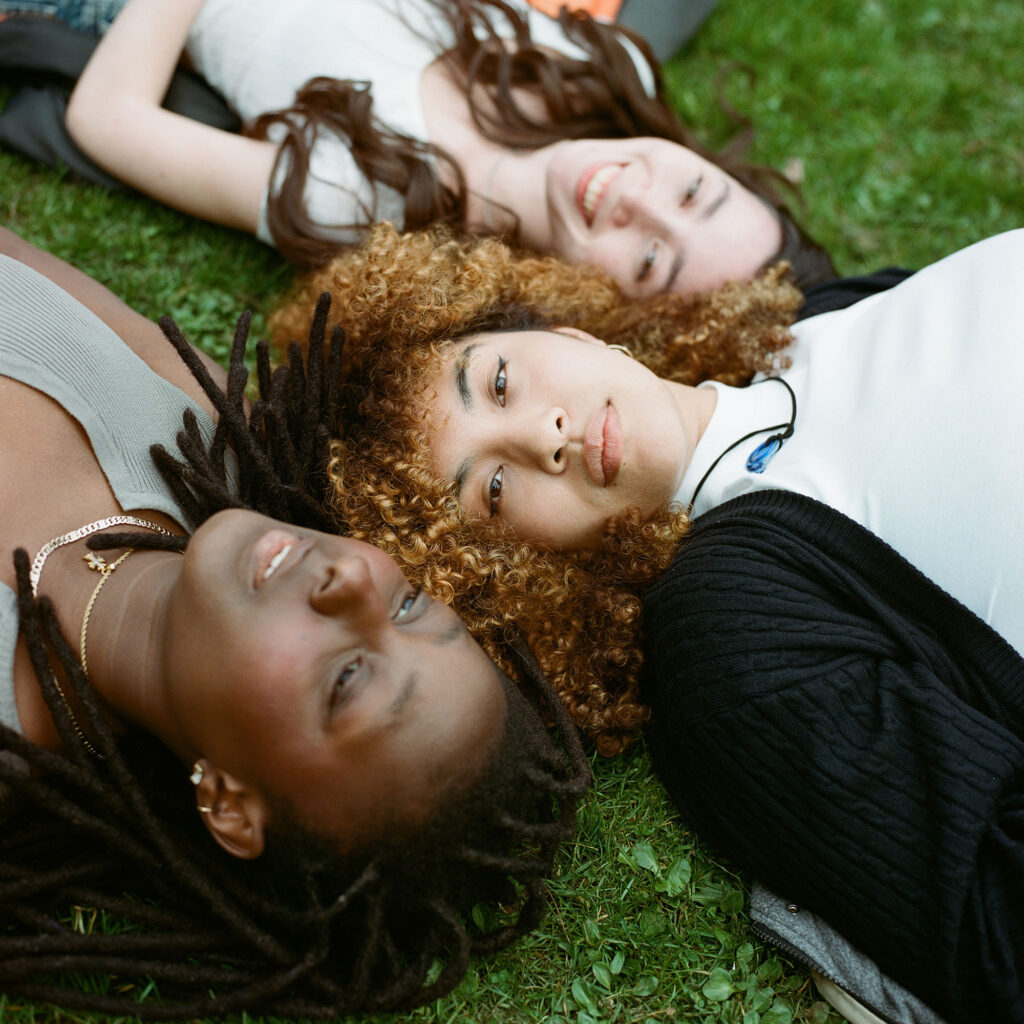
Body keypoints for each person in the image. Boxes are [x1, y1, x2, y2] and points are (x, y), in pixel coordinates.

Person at [268, 223, 1024, 1023]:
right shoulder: (730, 627)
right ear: (522, 573)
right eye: (491, 490)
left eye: (496, 382)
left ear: (568, 332)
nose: (541, 436)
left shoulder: (807, 322)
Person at [0, 227, 590, 1018]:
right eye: (408, 606)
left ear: (230, 806)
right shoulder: (206, 435)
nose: (350, 579)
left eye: (348, 677)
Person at [0, 0, 834, 296]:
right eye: (694, 195)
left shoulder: (371, 207)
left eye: (650, 259)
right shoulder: (592, 76)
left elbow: (107, 119)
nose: (636, 199)